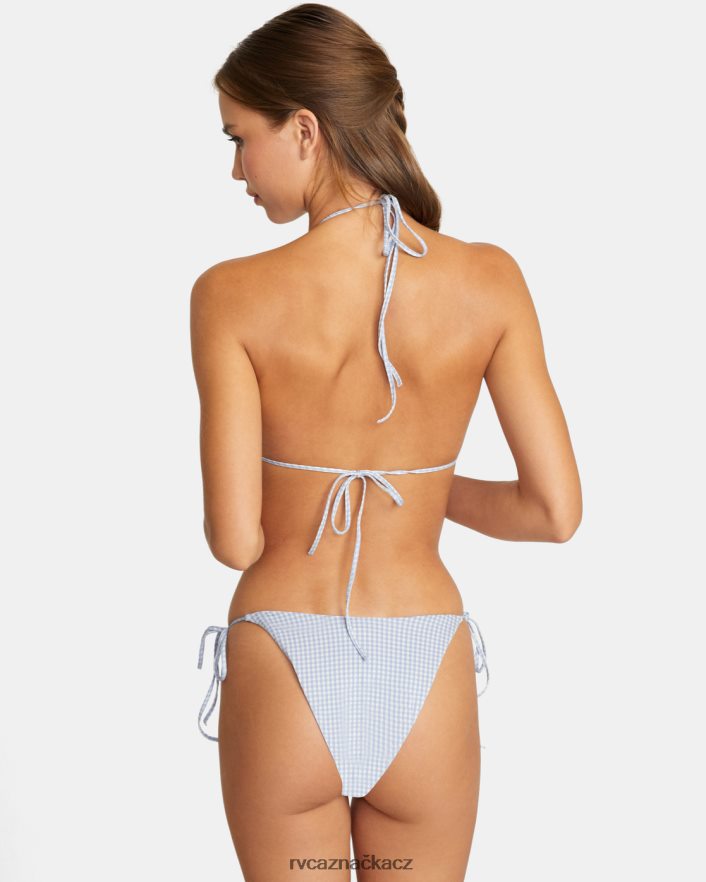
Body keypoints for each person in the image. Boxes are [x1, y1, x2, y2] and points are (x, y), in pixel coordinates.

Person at [191, 4, 582, 879]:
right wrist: (422, 489)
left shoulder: (230, 295)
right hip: (424, 661)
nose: (235, 169)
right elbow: (554, 513)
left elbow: (236, 540)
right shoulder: (490, 280)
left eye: (239, 138)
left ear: (304, 130)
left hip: (284, 663)